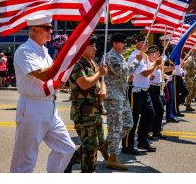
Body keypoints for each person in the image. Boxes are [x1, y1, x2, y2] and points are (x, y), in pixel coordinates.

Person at [9, 14, 76, 173]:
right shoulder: (25, 50)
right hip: (32, 106)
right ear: (33, 30)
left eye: (51, 28)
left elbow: (52, 78)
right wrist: (64, 60)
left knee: (67, 148)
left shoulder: (44, 51)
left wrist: (60, 77)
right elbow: (43, 74)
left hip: (49, 105)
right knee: (26, 158)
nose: (50, 31)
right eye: (47, 28)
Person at [64, 36, 107, 174]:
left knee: (99, 142)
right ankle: (89, 172)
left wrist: (103, 90)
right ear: (82, 47)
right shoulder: (77, 64)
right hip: (83, 112)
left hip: (96, 110)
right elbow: (84, 83)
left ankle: (69, 160)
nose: (95, 48)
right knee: (91, 145)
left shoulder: (93, 64)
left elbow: (101, 81)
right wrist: (99, 73)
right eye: (91, 45)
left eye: (95, 45)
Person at [104, 33, 143, 170]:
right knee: (115, 127)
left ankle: (107, 145)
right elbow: (122, 71)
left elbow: (123, 75)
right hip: (113, 97)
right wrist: (136, 61)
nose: (125, 45)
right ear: (115, 43)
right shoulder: (111, 56)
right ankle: (112, 157)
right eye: (123, 42)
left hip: (122, 96)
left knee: (128, 124)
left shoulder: (119, 56)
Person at [122, 34, 162, 153]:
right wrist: (155, 65)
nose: (147, 44)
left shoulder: (144, 56)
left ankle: (142, 141)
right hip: (136, 92)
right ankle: (127, 145)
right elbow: (144, 73)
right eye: (144, 42)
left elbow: (145, 74)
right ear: (137, 43)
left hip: (145, 91)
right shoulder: (135, 56)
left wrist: (151, 74)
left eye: (147, 42)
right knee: (132, 119)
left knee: (150, 114)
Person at [148, 45, 170, 140]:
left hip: (157, 88)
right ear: (152, 54)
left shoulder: (157, 63)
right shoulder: (149, 63)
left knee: (160, 110)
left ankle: (156, 131)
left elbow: (162, 71)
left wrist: (165, 76)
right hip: (150, 88)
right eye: (157, 53)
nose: (159, 55)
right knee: (150, 112)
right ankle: (148, 131)